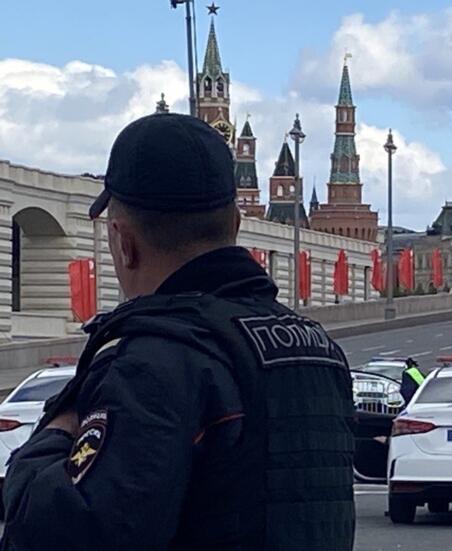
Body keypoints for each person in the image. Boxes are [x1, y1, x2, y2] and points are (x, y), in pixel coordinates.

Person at [0, 113, 355, 550]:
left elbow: (65, 532)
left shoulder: (156, 360)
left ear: (124, 243)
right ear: (236, 226)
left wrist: (56, 429)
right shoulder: (315, 347)